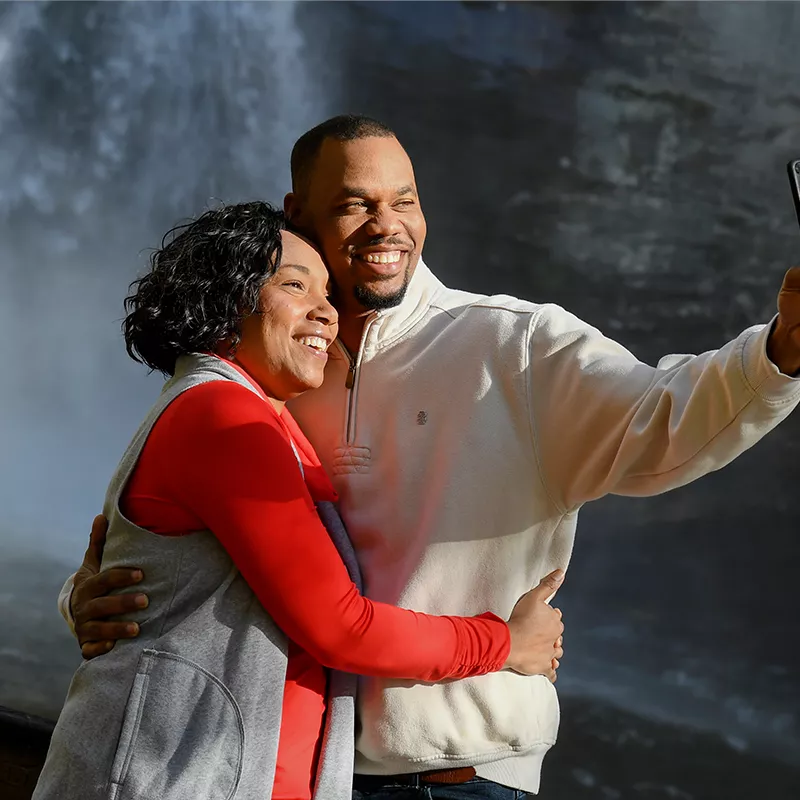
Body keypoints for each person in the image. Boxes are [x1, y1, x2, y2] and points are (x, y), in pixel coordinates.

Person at [61, 116, 800, 799]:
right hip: (317, 772)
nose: (387, 225)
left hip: (464, 778)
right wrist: (89, 601)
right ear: (297, 214)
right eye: (354, 204)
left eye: (404, 201)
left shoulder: (517, 344)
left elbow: (663, 417)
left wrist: (776, 355)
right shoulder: (279, 376)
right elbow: (173, 532)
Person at [34, 201, 566, 800]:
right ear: (225, 297)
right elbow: (339, 625)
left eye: (330, 295)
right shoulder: (224, 415)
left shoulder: (266, 421)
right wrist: (506, 643)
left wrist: (77, 595)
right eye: (293, 285)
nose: (326, 312)